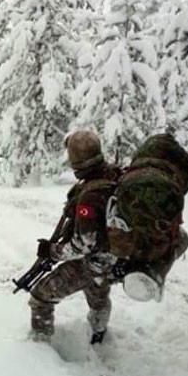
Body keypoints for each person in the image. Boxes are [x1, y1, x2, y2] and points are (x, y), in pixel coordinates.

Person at [29, 131, 122, 345]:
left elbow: (84, 244)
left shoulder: (90, 195)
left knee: (41, 296)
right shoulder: (113, 175)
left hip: (94, 262)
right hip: (114, 259)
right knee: (97, 295)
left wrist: (52, 251)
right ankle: (98, 335)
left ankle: (38, 348)